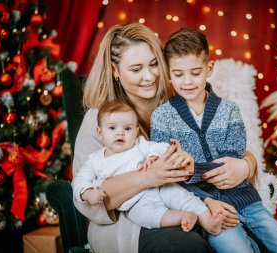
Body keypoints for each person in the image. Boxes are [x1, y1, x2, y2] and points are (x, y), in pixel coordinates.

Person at [73, 22, 258, 253]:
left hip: (190, 202)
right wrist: (148, 177)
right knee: (183, 246)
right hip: (129, 222)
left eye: (153, 64)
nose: (149, 76)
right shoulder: (99, 119)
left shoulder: (181, 100)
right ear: (114, 70)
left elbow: (225, 147)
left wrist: (247, 164)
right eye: (136, 69)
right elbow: (89, 198)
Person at [150, 27, 277, 253]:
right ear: (168, 73)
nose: (187, 81)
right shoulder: (162, 117)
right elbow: (169, 174)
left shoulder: (229, 110)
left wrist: (191, 169)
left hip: (246, 199)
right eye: (178, 74)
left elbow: (233, 158)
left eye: (195, 72)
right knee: (239, 249)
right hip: (205, 207)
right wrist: (202, 194)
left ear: (209, 69)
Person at [72, 101, 223, 235]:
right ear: (100, 133)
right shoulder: (95, 160)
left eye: (127, 129)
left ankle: (208, 221)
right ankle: (182, 217)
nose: (120, 133)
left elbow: (161, 147)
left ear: (136, 131)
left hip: (161, 187)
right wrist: (87, 193)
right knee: (147, 216)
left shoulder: (140, 145)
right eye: (112, 128)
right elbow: (79, 181)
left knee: (184, 197)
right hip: (136, 202)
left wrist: (153, 156)